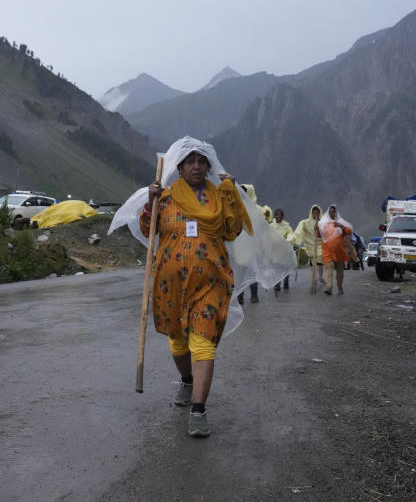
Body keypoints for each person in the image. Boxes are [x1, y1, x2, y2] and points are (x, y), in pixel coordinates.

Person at [108, 137, 295, 438]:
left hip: (211, 284)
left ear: (208, 167)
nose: (196, 165)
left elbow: (233, 230)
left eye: (201, 161)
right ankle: (186, 380)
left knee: (203, 343)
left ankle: (198, 410)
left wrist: (232, 194)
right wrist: (150, 203)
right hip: (171, 286)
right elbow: (148, 229)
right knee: (178, 343)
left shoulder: (220, 197)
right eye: (190, 161)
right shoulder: (166, 197)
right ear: (180, 167)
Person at [319, 204, 353, 295]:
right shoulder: (323, 223)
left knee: (340, 273)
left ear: (336, 212)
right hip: (327, 252)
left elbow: (349, 231)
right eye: (330, 211)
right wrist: (316, 229)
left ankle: (340, 287)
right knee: (329, 269)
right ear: (327, 213)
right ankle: (329, 287)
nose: (331, 213)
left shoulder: (340, 221)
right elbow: (319, 235)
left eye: (333, 211)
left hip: (340, 252)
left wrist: (341, 226)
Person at [294, 205, 323, 294]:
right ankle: (313, 279)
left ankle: (320, 277)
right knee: (313, 263)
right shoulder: (306, 222)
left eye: (317, 213)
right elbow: (300, 230)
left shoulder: (323, 223)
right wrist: (297, 239)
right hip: (311, 246)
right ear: (311, 213)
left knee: (319, 262)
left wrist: (318, 227)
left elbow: (325, 234)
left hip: (320, 245)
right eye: (314, 213)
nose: (316, 215)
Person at [271, 208, 293, 291]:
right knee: (276, 268)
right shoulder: (271, 226)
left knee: (284, 267)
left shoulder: (287, 226)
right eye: (277, 215)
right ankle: (277, 284)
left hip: (284, 251)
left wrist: (287, 240)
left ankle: (286, 281)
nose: (278, 216)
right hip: (274, 251)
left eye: (280, 215)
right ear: (274, 216)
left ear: (283, 216)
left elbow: (290, 234)